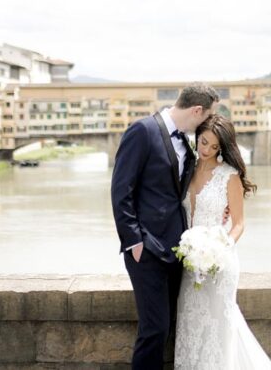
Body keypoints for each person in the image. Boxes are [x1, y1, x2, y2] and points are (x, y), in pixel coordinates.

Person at [111, 83, 221, 369]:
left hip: (176, 250)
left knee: (167, 328)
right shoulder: (143, 131)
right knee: (154, 329)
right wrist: (134, 241)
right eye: (207, 115)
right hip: (146, 250)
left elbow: (180, 192)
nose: (207, 122)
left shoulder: (187, 142)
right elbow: (121, 190)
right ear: (197, 110)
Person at [175, 114, 271, 369]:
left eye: (214, 147)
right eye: (204, 142)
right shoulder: (186, 168)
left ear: (222, 148)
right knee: (191, 326)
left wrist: (220, 249)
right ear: (197, 137)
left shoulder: (229, 176)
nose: (207, 150)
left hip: (219, 263)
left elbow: (239, 223)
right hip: (189, 262)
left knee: (219, 330)